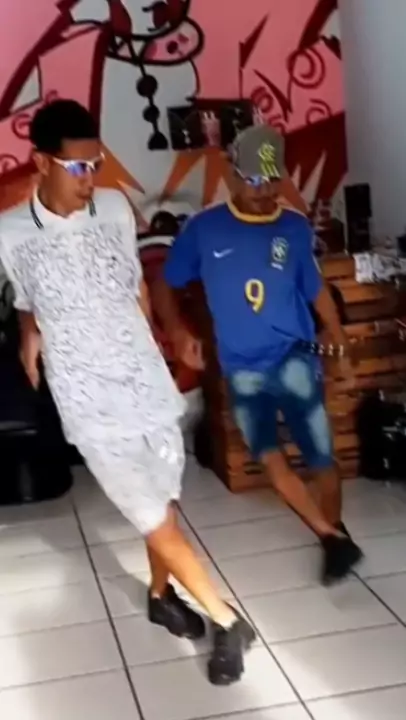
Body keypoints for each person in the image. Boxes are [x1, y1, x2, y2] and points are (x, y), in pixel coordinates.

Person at [0, 99, 256, 686]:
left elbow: (136, 284)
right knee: (147, 512)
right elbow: (27, 298)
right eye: (77, 167)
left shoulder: (115, 208)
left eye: (95, 165)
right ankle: (228, 620)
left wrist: (166, 340)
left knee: (162, 503)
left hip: (144, 379)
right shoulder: (10, 233)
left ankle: (162, 597)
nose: (90, 179)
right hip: (86, 395)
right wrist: (30, 336)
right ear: (41, 162)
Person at [154, 124, 363, 585]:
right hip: (243, 369)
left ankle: (333, 534)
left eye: (272, 180)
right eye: (252, 180)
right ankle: (331, 537)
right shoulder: (204, 229)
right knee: (268, 456)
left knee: (322, 458)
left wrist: (338, 336)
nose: (264, 191)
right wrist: (178, 330)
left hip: (296, 360)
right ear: (231, 173)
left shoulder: (294, 226)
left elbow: (315, 288)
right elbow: (165, 285)